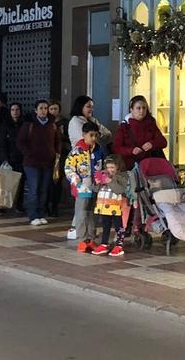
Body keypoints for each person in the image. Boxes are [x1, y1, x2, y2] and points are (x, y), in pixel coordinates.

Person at [17, 99, 61, 226]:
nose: (44, 110)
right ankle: (33, 215)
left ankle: (41, 213)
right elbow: (20, 142)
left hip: (48, 162)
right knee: (33, 189)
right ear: (36, 110)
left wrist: (56, 153)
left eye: (45, 108)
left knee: (44, 189)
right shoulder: (29, 125)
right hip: (32, 163)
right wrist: (29, 153)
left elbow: (57, 141)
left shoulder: (52, 125)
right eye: (41, 108)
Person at [66, 121, 106, 250]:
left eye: (96, 135)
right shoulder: (76, 151)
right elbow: (69, 168)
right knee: (81, 213)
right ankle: (82, 239)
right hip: (82, 186)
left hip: (96, 186)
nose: (94, 138)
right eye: (91, 135)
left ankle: (91, 238)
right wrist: (77, 183)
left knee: (93, 213)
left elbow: (104, 166)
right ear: (84, 134)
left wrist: (103, 179)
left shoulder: (99, 150)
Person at [91, 156, 134, 257]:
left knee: (119, 226)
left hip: (116, 206)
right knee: (105, 225)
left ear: (118, 167)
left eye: (112, 167)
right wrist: (97, 183)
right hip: (103, 206)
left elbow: (120, 190)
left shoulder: (122, 177)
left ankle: (119, 245)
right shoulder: (103, 175)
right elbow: (95, 189)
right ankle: (104, 243)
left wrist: (110, 181)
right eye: (108, 167)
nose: (110, 170)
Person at [113, 96, 167, 171]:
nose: (141, 111)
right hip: (131, 167)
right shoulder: (124, 126)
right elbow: (116, 148)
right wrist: (131, 150)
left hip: (151, 165)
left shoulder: (151, 123)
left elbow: (163, 142)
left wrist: (152, 144)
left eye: (144, 108)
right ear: (131, 110)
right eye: (138, 108)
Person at [46, 101, 71, 218]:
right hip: (47, 155)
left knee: (57, 181)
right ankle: (46, 205)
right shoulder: (46, 122)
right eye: (51, 109)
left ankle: (54, 206)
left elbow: (69, 138)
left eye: (55, 109)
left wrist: (61, 135)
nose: (53, 111)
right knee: (47, 182)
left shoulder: (65, 122)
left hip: (61, 154)